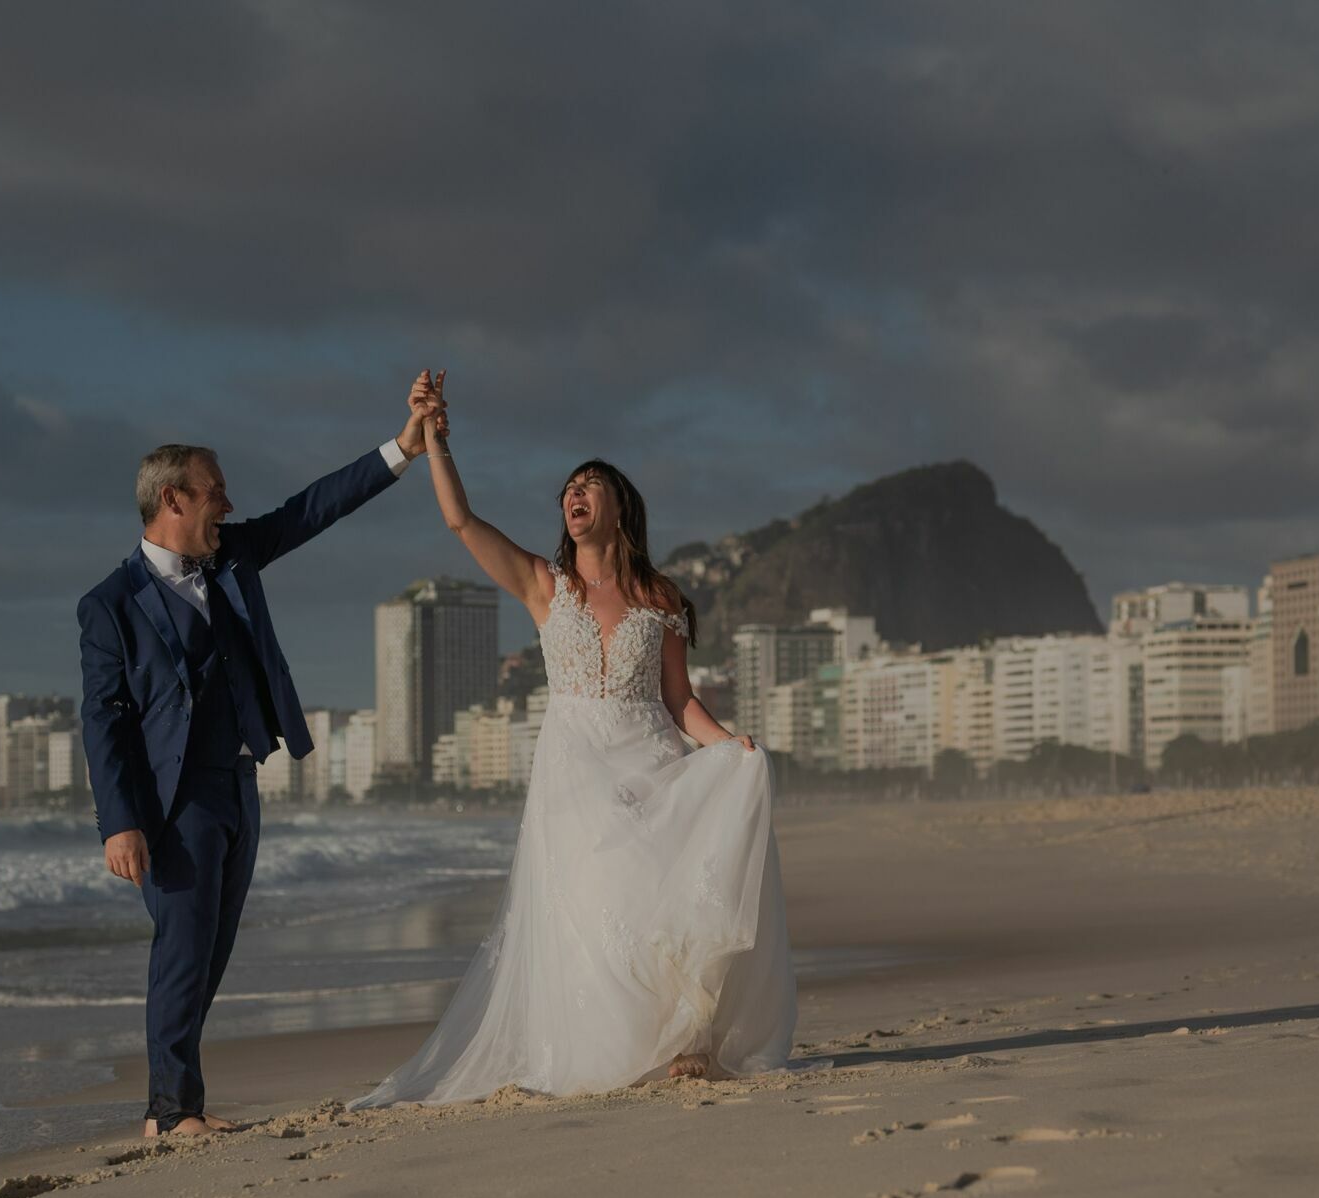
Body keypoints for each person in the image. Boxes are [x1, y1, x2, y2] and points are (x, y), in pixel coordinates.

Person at [352, 373, 796, 1109]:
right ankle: (619, 1044)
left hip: (651, 757)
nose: (575, 494)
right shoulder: (541, 584)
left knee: (665, 899)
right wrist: (433, 439)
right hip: (576, 767)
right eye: (568, 488)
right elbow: (461, 521)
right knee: (599, 902)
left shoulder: (663, 598)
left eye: (591, 485)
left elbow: (679, 699)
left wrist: (728, 747)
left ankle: (685, 1038)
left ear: (621, 506)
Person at [79, 381, 442, 1137]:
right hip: (173, 800)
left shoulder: (233, 559)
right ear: (173, 499)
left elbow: (311, 509)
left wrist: (402, 449)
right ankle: (172, 1111)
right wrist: (120, 823)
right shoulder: (110, 603)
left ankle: (171, 1105)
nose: (229, 505)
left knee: (210, 951)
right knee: (182, 950)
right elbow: (104, 719)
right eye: (215, 492)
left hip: (240, 783)